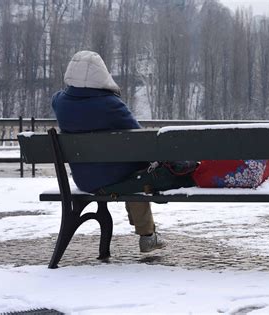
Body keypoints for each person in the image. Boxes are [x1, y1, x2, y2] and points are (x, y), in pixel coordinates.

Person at [52, 50, 194, 252]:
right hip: (113, 179)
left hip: (84, 179)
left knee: (130, 172)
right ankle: (147, 236)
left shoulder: (60, 103)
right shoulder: (111, 105)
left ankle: (146, 233)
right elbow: (140, 139)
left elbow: (59, 96)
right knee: (137, 176)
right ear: (102, 75)